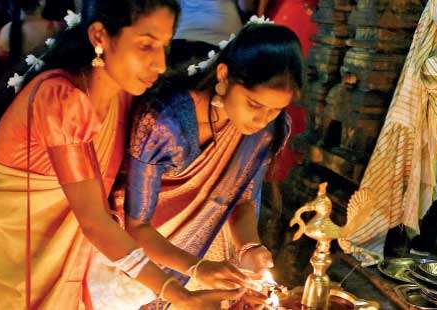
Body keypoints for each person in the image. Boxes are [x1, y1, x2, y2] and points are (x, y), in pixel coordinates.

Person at [0, 1, 247, 309]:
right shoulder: (60, 100)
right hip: (17, 248)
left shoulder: (124, 95)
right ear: (99, 36)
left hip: (70, 247)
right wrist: (180, 295)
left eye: (164, 47)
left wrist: (196, 268)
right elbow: (95, 222)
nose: (160, 64)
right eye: (146, 46)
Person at [88, 20, 305, 308]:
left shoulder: (265, 131)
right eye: (253, 104)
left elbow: (241, 201)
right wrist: (196, 267)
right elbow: (137, 226)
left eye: (275, 110)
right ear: (224, 75)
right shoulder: (167, 123)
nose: (261, 119)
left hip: (205, 247)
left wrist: (250, 247)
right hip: (139, 251)